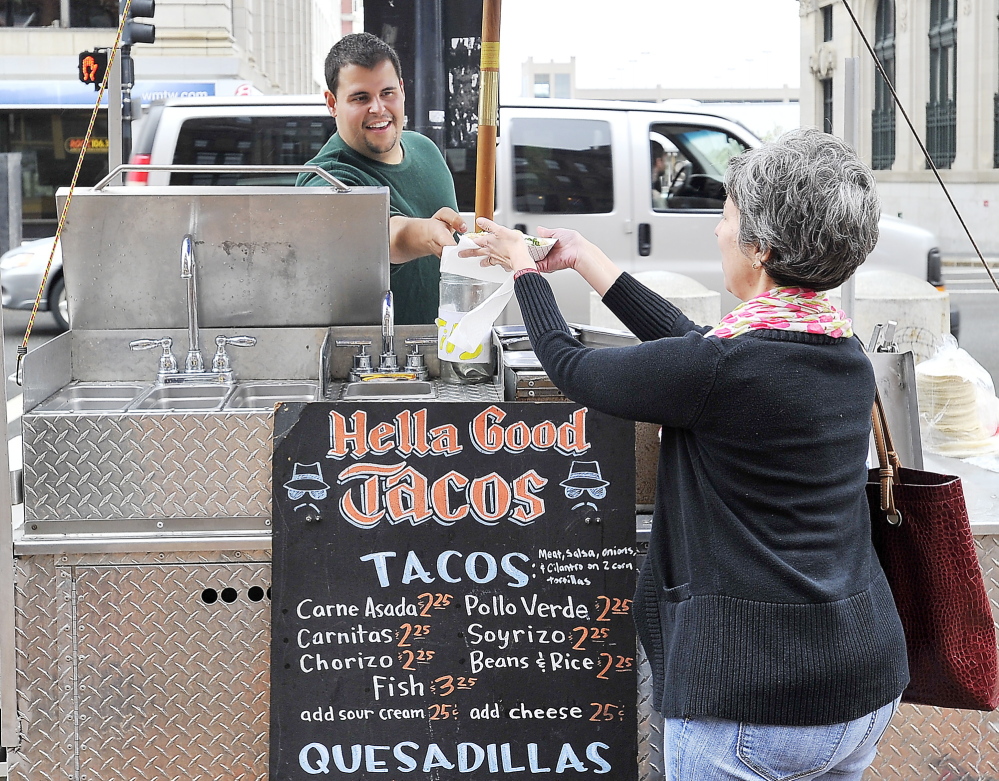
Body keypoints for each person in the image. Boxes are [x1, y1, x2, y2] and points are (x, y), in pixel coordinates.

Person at [463, 127, 909, 781]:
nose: (716, 232)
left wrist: (523, 270)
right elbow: (692, 343)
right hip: (860, 691)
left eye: (726, 217)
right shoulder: (837, 347)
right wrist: (585, 258)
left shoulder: (723, 369)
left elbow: (572, 368)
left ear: (760, 246)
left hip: (752, 702)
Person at [297, 32, 466, 325]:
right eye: (360, 97)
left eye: (387, 93)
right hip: (371, 363)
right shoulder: (324, 177)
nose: (378, 108)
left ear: (401, 90)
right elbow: (383, 236)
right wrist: (427, 235)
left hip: (446, 352)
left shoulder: (426, 149)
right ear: (332, 103)